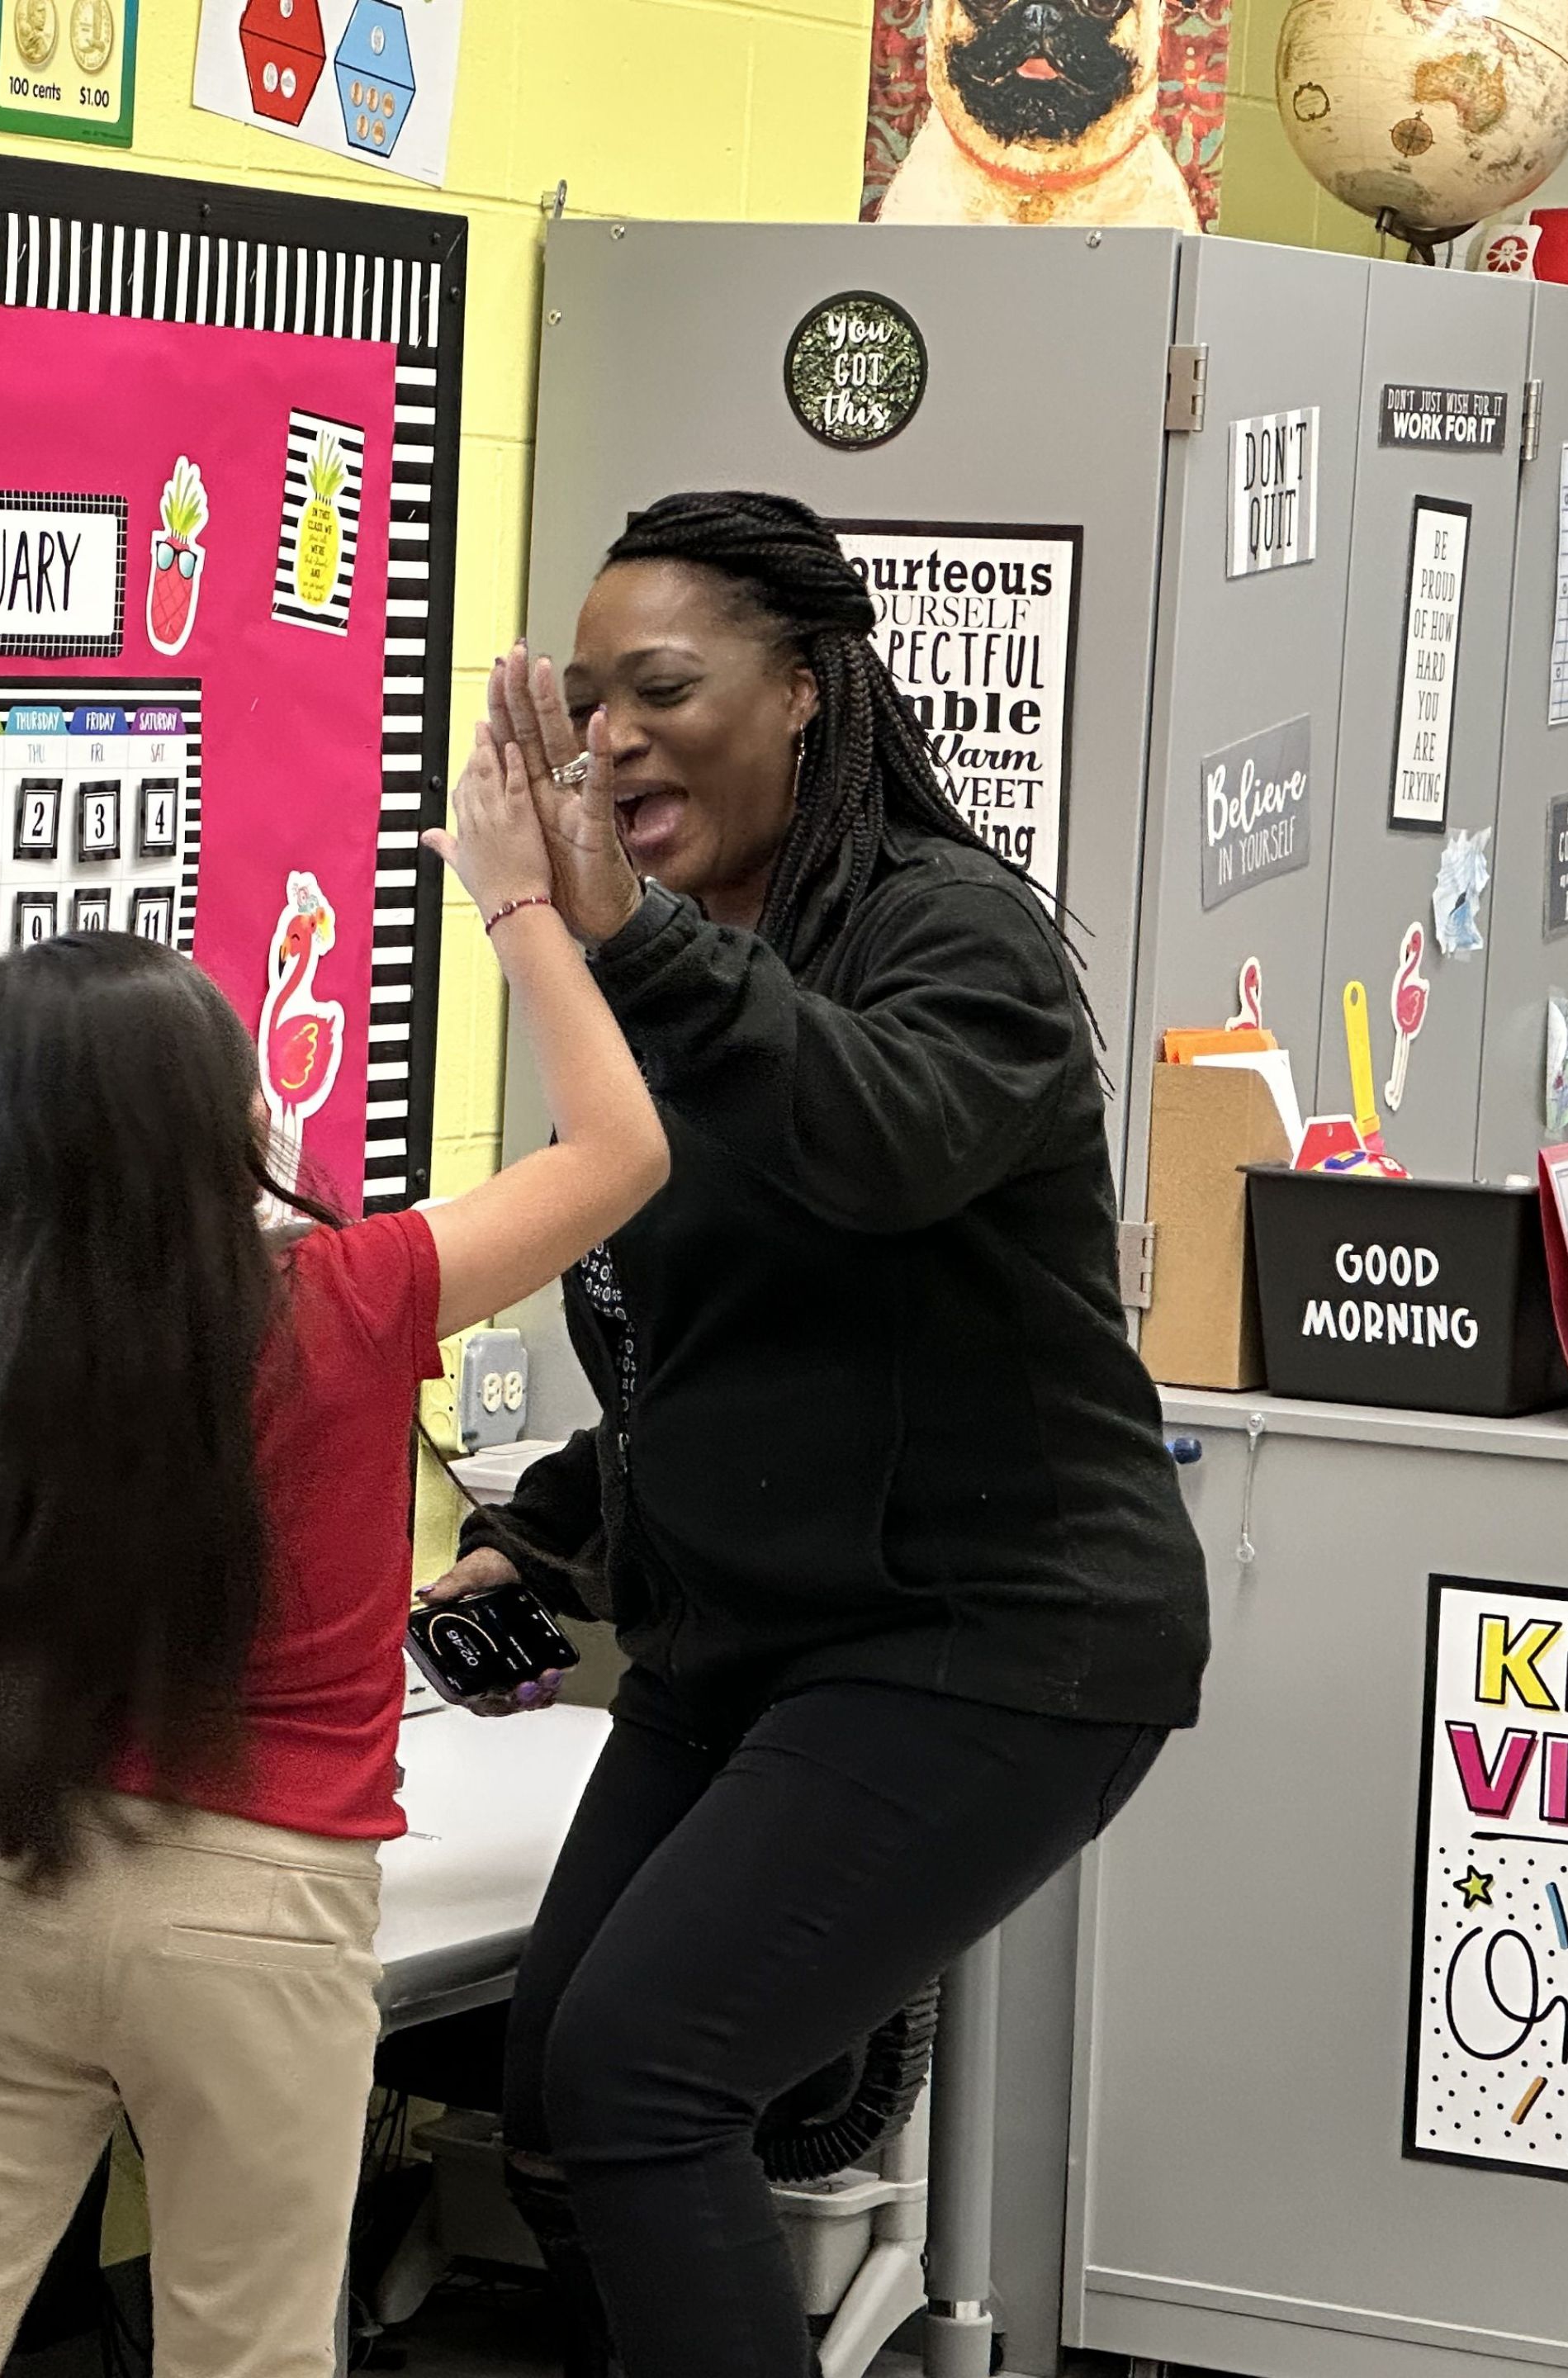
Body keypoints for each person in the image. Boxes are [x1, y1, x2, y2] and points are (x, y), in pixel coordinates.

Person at [0, 716, 669, 2378]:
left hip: (4, 1896)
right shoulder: (347, 1299)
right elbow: (623, 1152)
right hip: (263, 1924)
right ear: (230, 1114)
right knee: (244, 2358)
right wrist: (520, 907)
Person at [424, 491, 1209, 2378]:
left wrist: (618, 937)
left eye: (662, 690)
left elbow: (871, 1145)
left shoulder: (956, 942)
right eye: (584, 702)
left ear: (799, 694)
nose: (608, 740)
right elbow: (717, 1345)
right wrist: (534, 1539)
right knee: (551, 2086)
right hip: (755, 1637)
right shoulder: (672, 971)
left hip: (1002, 1638)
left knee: (647, 2069)